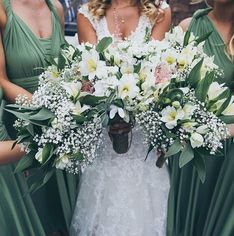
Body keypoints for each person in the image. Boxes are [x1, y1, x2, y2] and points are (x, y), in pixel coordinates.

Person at [70, 0, 171, 235]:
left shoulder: (159, 12)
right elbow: (90, 77)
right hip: (106, 134)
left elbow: (156, 73)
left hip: (143, 137)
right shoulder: (88, 15)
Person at [0, 0, 78, 234]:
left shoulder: (56, 8)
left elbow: (65, 69)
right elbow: (1, 80)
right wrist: (46, 114)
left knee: (67, 209)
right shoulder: (3, 10)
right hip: (25, 125)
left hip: (65, 127)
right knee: (38, 211)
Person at [167, 1, 234, 235]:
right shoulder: (188, 27)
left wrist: (228, 130)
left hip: (231, 147)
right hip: (193, 144)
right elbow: (167, 88)